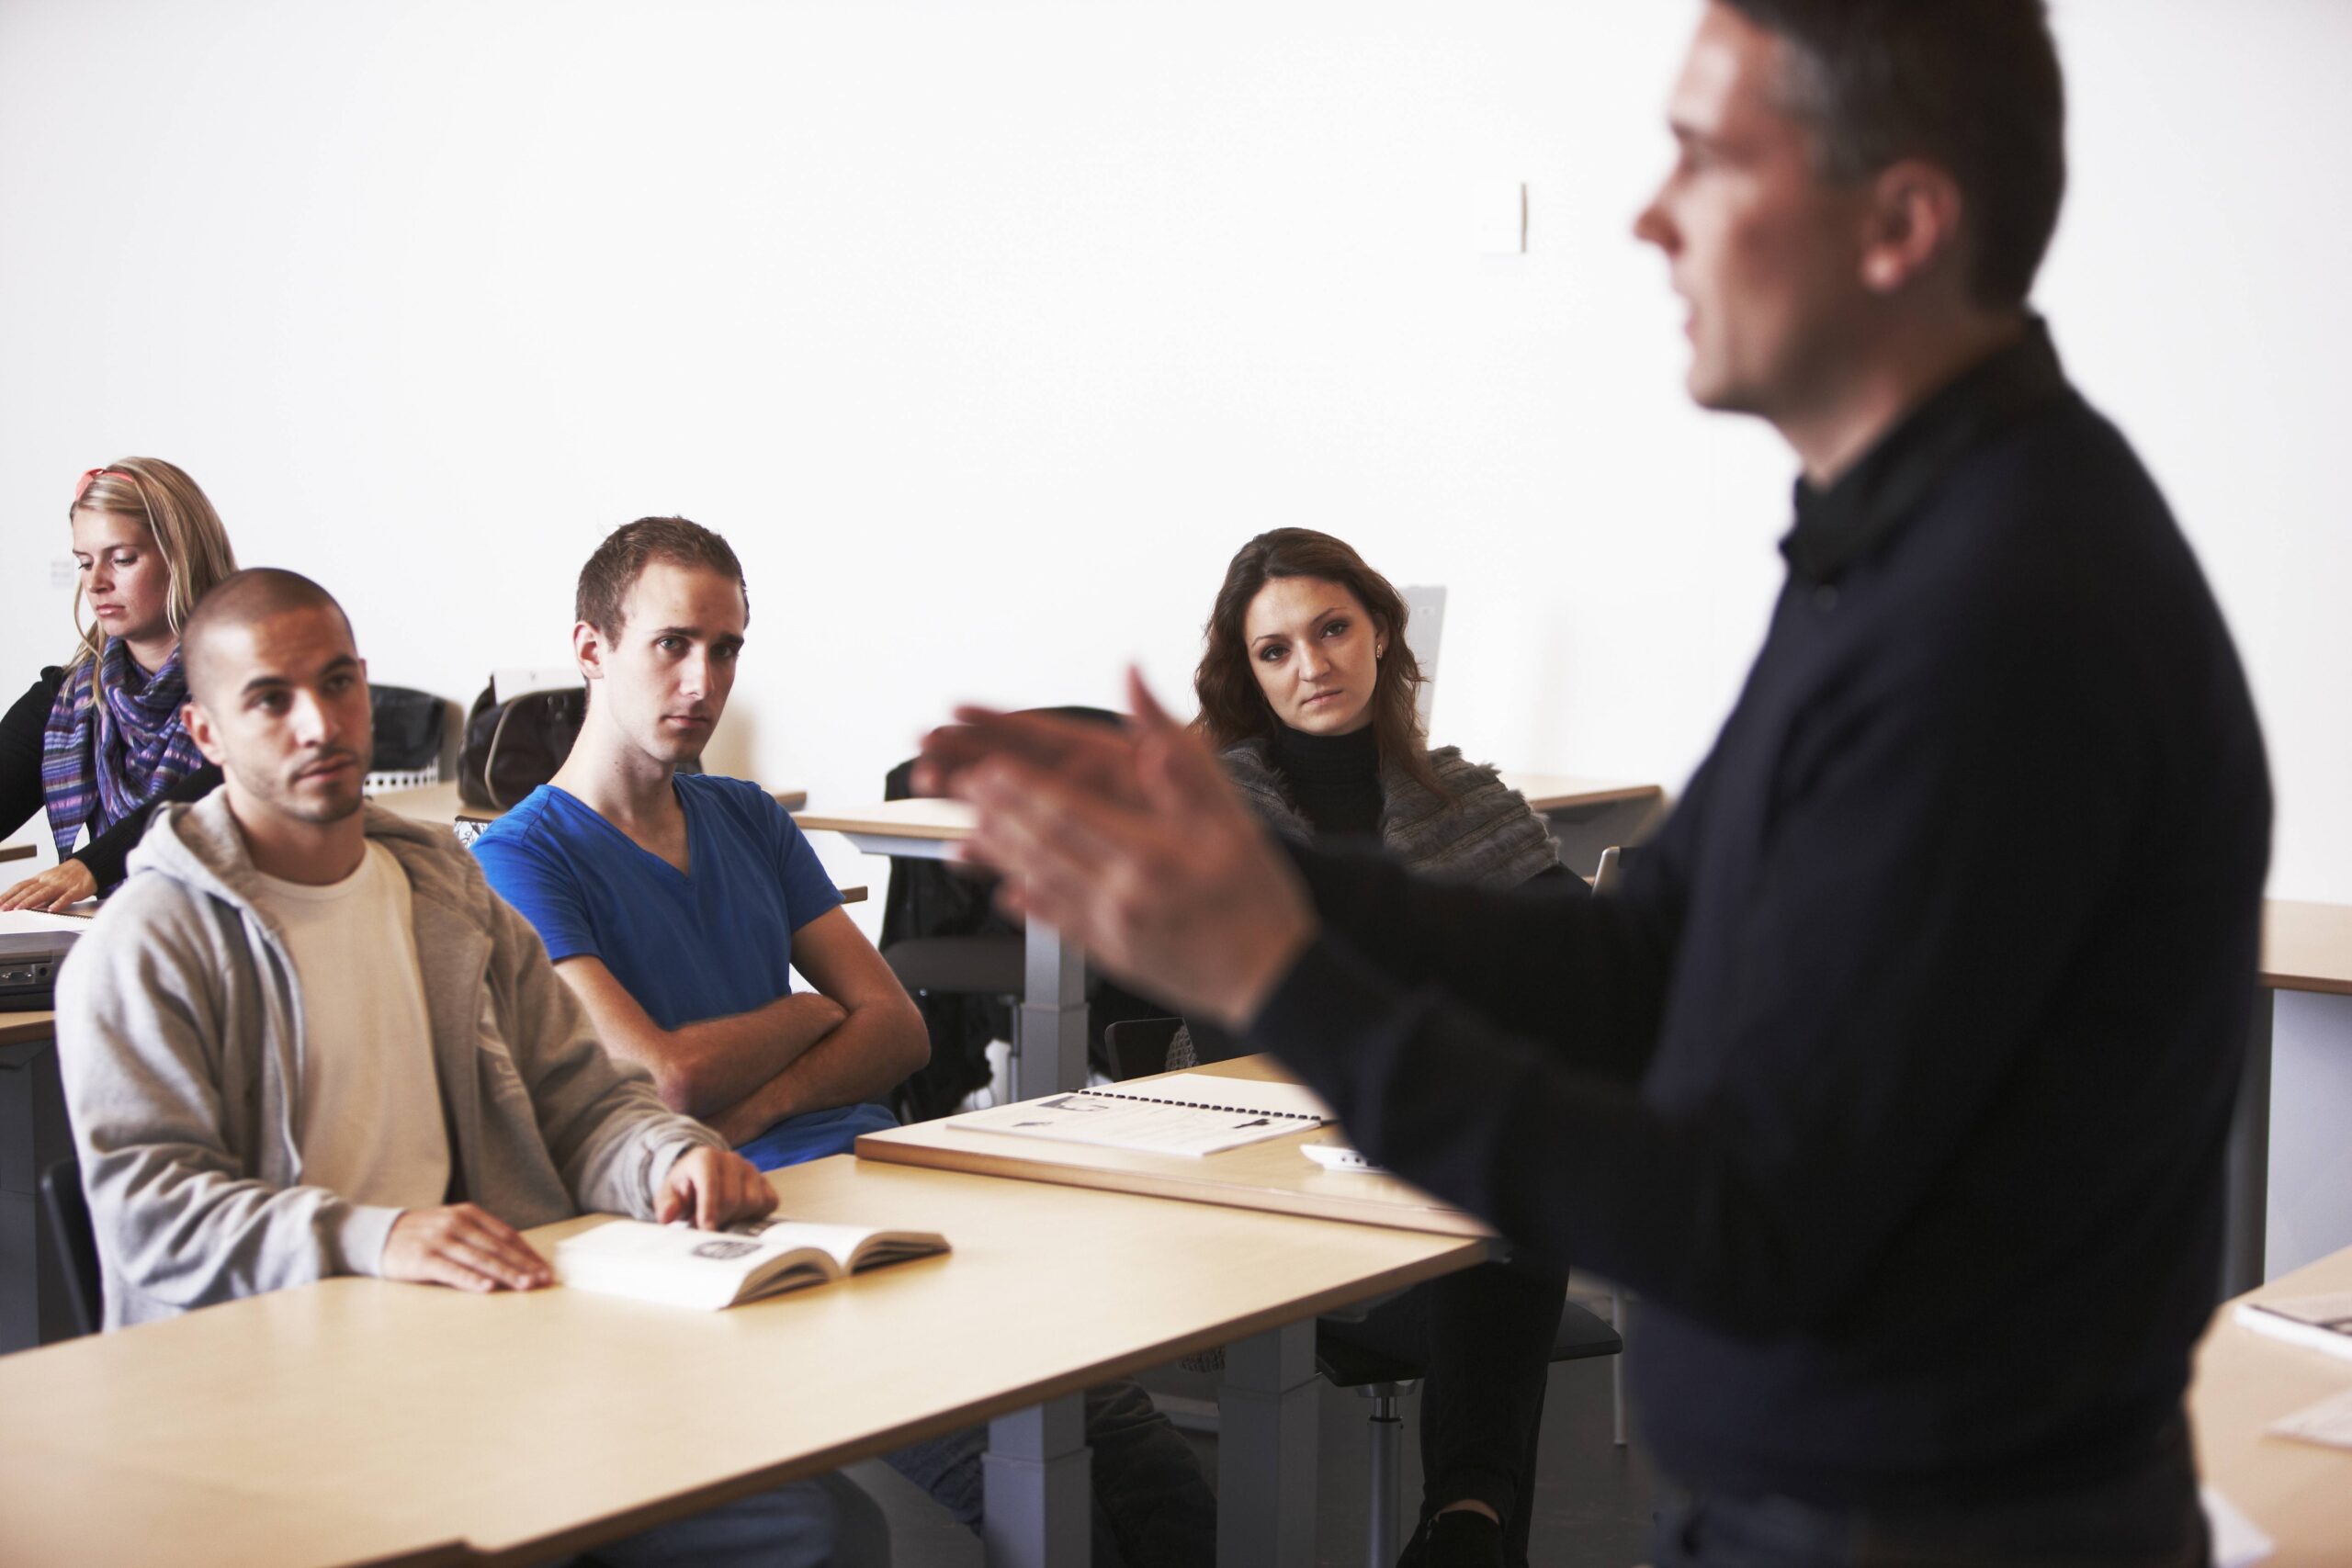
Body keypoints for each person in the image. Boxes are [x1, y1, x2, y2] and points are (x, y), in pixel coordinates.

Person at [916, 4, 2270, 1564]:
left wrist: (1279, 970)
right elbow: (1643, 966)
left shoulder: (2003, 617)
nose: (1645, 216)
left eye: (1703, 156)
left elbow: (1754, 1221)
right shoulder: (1891, 558)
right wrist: (1269, 878)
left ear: (1900, 221)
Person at [57, 568, 883, 1567]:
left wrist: (667, 1157)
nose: (318, 724)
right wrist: (379, 1237)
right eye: (270, 700)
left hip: (504, 1343)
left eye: (336, 684)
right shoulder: (148, 942)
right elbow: (151, 1206)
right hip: (277, 1395)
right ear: (205, 735)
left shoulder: (444, 888)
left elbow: (583, 1099)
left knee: (819, 1531)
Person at [471, 516, 1217, 1568]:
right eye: (673, 645)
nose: (704, 680)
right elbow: (663, 1076)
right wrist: (811, 1016)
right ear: (592, 650)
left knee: (1159, 1482)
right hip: (730, 1228)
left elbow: (900, 1029)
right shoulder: (519, 855)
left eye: (726, 648)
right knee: (1058, 1509)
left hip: (879, 1186)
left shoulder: (746, 818)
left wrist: (767, 1097)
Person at [1189, 526, 1568, 1567]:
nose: (1311, 666)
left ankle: (1464, 1522)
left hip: (1433, 1146)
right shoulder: (1221, 812)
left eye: (1331, 629)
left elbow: (1572, 950)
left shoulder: (1462, 796)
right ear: (1246, 672)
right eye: (1275, 650)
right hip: (1271, 1157)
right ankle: (1476, 1512)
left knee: (1521, 1162)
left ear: (1381, 633)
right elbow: (1243, 1020)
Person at [1, 458, 236, 911]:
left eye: (122, 559)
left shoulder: (258, 691)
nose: (97, 582)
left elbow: (224, 788)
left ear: (181, 556)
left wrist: (91, 866)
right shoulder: (65, 700)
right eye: (84, 563)